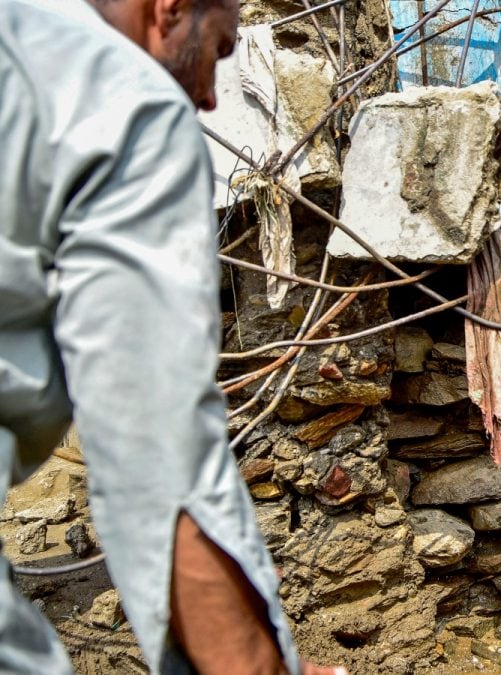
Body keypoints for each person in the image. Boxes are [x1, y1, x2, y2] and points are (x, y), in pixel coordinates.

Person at [0, 1, 342, 673]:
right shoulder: (126, 100)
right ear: (170, 7)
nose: (213, 97)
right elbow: (157, 452)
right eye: (216, 51)